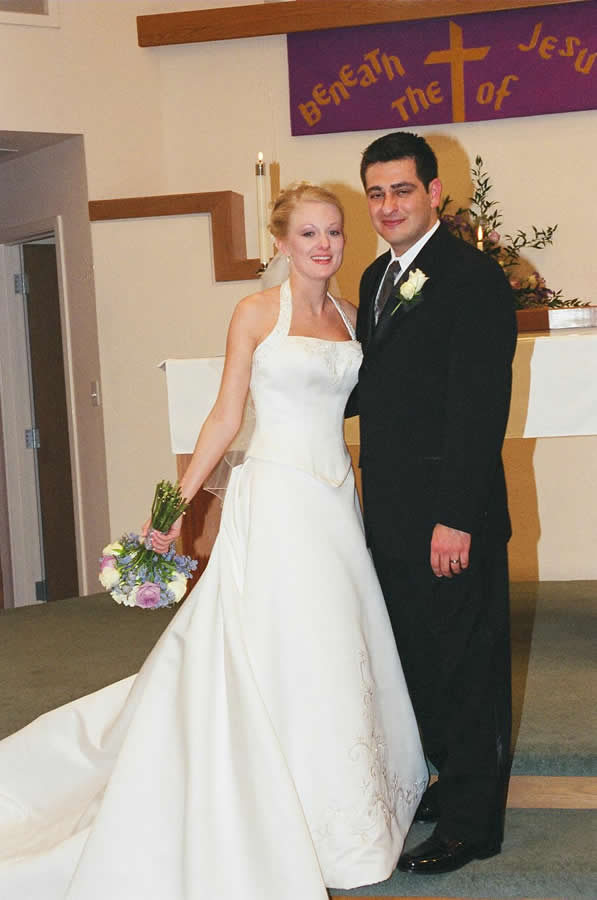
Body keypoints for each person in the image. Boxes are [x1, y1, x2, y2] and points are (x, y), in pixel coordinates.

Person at [0, 182, 427, 899]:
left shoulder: (353, 317)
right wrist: (175, 506)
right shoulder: (256, 313)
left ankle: (337, 804)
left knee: (335, 641)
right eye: (308, 234)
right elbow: (226, 417)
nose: (323, 245)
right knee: (280, 637)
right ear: (281, 242)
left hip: (335, 501)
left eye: (332, 232)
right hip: (278, 499)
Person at [352, 131, 518, 875]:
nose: (388, 205)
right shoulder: (374, 278)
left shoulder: (471, 277)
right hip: (389, 510)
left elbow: (478, 409)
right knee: (419, 658)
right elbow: (377, 385)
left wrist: (455, 517)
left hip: (452, 516)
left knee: (466, 666)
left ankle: (473, 826)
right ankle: (450, 779)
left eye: (402, 190)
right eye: (376, 193)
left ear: (434, 194)